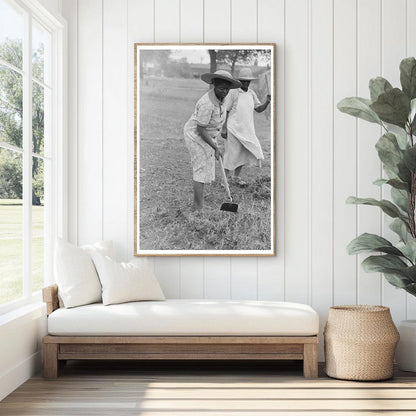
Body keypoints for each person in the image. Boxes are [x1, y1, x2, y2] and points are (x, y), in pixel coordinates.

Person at [184, 70, 241, 210]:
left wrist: (215, 140)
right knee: (200, 168)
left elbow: (219, 118)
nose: (225, 92)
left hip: (209, 135)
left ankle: (203, 202)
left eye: (227, 89)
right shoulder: (206, 103)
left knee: (206, 167)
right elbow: (201, 129)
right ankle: (197, 207)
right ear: (213, 85)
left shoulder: (223, 98)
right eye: (221, 88)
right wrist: (215, 147)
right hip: (195, 135)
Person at [222, 68, 271, 186]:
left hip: (246, 129)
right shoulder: (233, 93)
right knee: (231, 154)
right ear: (239, 81)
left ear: (250, 81)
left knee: (242, 153)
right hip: (233, 128)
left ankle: (236, 177)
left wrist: (267, 101)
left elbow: (258, 109)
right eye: (243, 81)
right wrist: (224, 128)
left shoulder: (251, 93)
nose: (245, 83)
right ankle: (225, 180)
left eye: (247, 81)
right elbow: (226, 110)